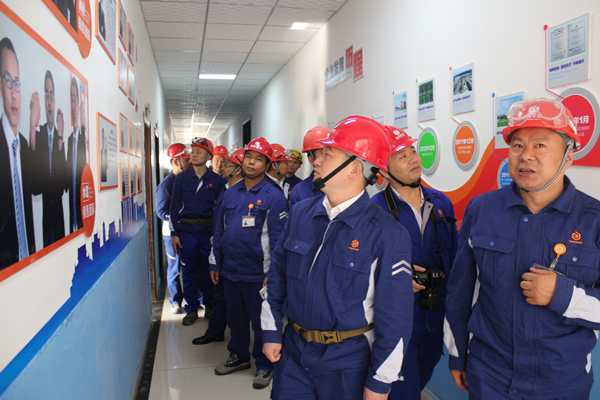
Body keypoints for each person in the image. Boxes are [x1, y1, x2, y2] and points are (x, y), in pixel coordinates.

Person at [445, 98, 600, 399]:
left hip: (561, 381)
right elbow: (460, 291)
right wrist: (457, 354)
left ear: (568, 157)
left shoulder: (594, 220)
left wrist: (563, 296)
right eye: (517, 146)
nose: (526, 156)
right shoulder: (482, 209)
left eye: (540, 145)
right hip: (489, 376)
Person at [261, 116, 414, 400]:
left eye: (327, 154)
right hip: (293, 354)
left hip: (348, 363)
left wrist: (380, 381)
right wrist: (271, 331)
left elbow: (396, 316)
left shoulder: (388, 233)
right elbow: (277, 277)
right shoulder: (300, 214)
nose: (316, 162)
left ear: (354, 169)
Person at [371, 126, 458, 400]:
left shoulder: (441, 203)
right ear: (384, 170)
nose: (413, 159)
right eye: (402, 156)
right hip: (395, 322)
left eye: (413, 151)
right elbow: (359, 270)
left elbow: (454, 259)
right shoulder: (374, 210)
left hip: (435, 316)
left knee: (419, 380)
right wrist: (395, 280)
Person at [211, 138, 288, 389]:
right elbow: (219, 231)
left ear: (267, 165)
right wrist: (216, 263)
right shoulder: (230, 192)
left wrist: (273, 274)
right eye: (248, 157)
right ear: (242, 160)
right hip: (231, 271)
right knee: (236, 319)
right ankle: (239, 356)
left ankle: (265, 365)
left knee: (262, 322)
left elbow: (279, 241)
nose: (251, 163)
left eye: (258, 159)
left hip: (258, 274)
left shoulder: (273, 196)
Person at [170, 138, 226, 326]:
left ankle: (209, 305)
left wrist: (218, 236)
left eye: (198, 152)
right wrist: (175, 234)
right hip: (187, 232)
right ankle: (191, 309)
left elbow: (220, 211)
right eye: (192, 151)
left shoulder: (217, 181)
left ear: (208, 156)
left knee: (209, 271)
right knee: (189, 271)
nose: (193, 155)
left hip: (208, 231)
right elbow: (174, 207)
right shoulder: (182, 179)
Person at [193, 148, 245, 346]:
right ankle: (216, 330)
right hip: (224, 254)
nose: (222, 167)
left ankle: (241, 346)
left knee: (239, 304)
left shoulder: (245, 194)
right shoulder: (225, 191)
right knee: (219, 296)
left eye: (228, 164)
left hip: (240, 259)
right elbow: (219, 227)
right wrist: (215, 260)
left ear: (238, 169)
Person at [0, 37, 35, 270]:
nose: (14, 93)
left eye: (17, 83)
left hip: (31, 264)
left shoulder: (24, 147)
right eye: (8, 81)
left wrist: (32, 129)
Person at [28, 70, 68, 247]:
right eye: (47, 94)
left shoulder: (60, 137)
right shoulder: (39, 135)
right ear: (44, 101)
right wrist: (32, 127)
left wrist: (60, 138)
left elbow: (64, 184)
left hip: (59, 214)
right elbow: (35, 185)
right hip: (46, 216)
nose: (49, 100)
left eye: (52, 95)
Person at [156, 143, 190, 314]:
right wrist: (180, 218)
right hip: (171, 234)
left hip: (188, 232)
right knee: (175, 268)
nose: (189, 163)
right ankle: (176, 300)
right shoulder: (165, 186)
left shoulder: (187, 181)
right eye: (186, 160)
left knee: (191, 266)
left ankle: (197, 299)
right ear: (176, 162)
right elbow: (161, 212)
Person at [289, 126, 330, 207]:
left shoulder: (347, 186)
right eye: (323, 153)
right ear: (311, 160)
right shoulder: (299, 192)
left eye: (331, 153)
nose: (330, 158)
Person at [67, 77, 86, 233]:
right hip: (70, 220)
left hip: (81, 218)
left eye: (75, 100)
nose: (73, 106)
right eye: (70, 100)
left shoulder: (83, 140)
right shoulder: (67, 141)